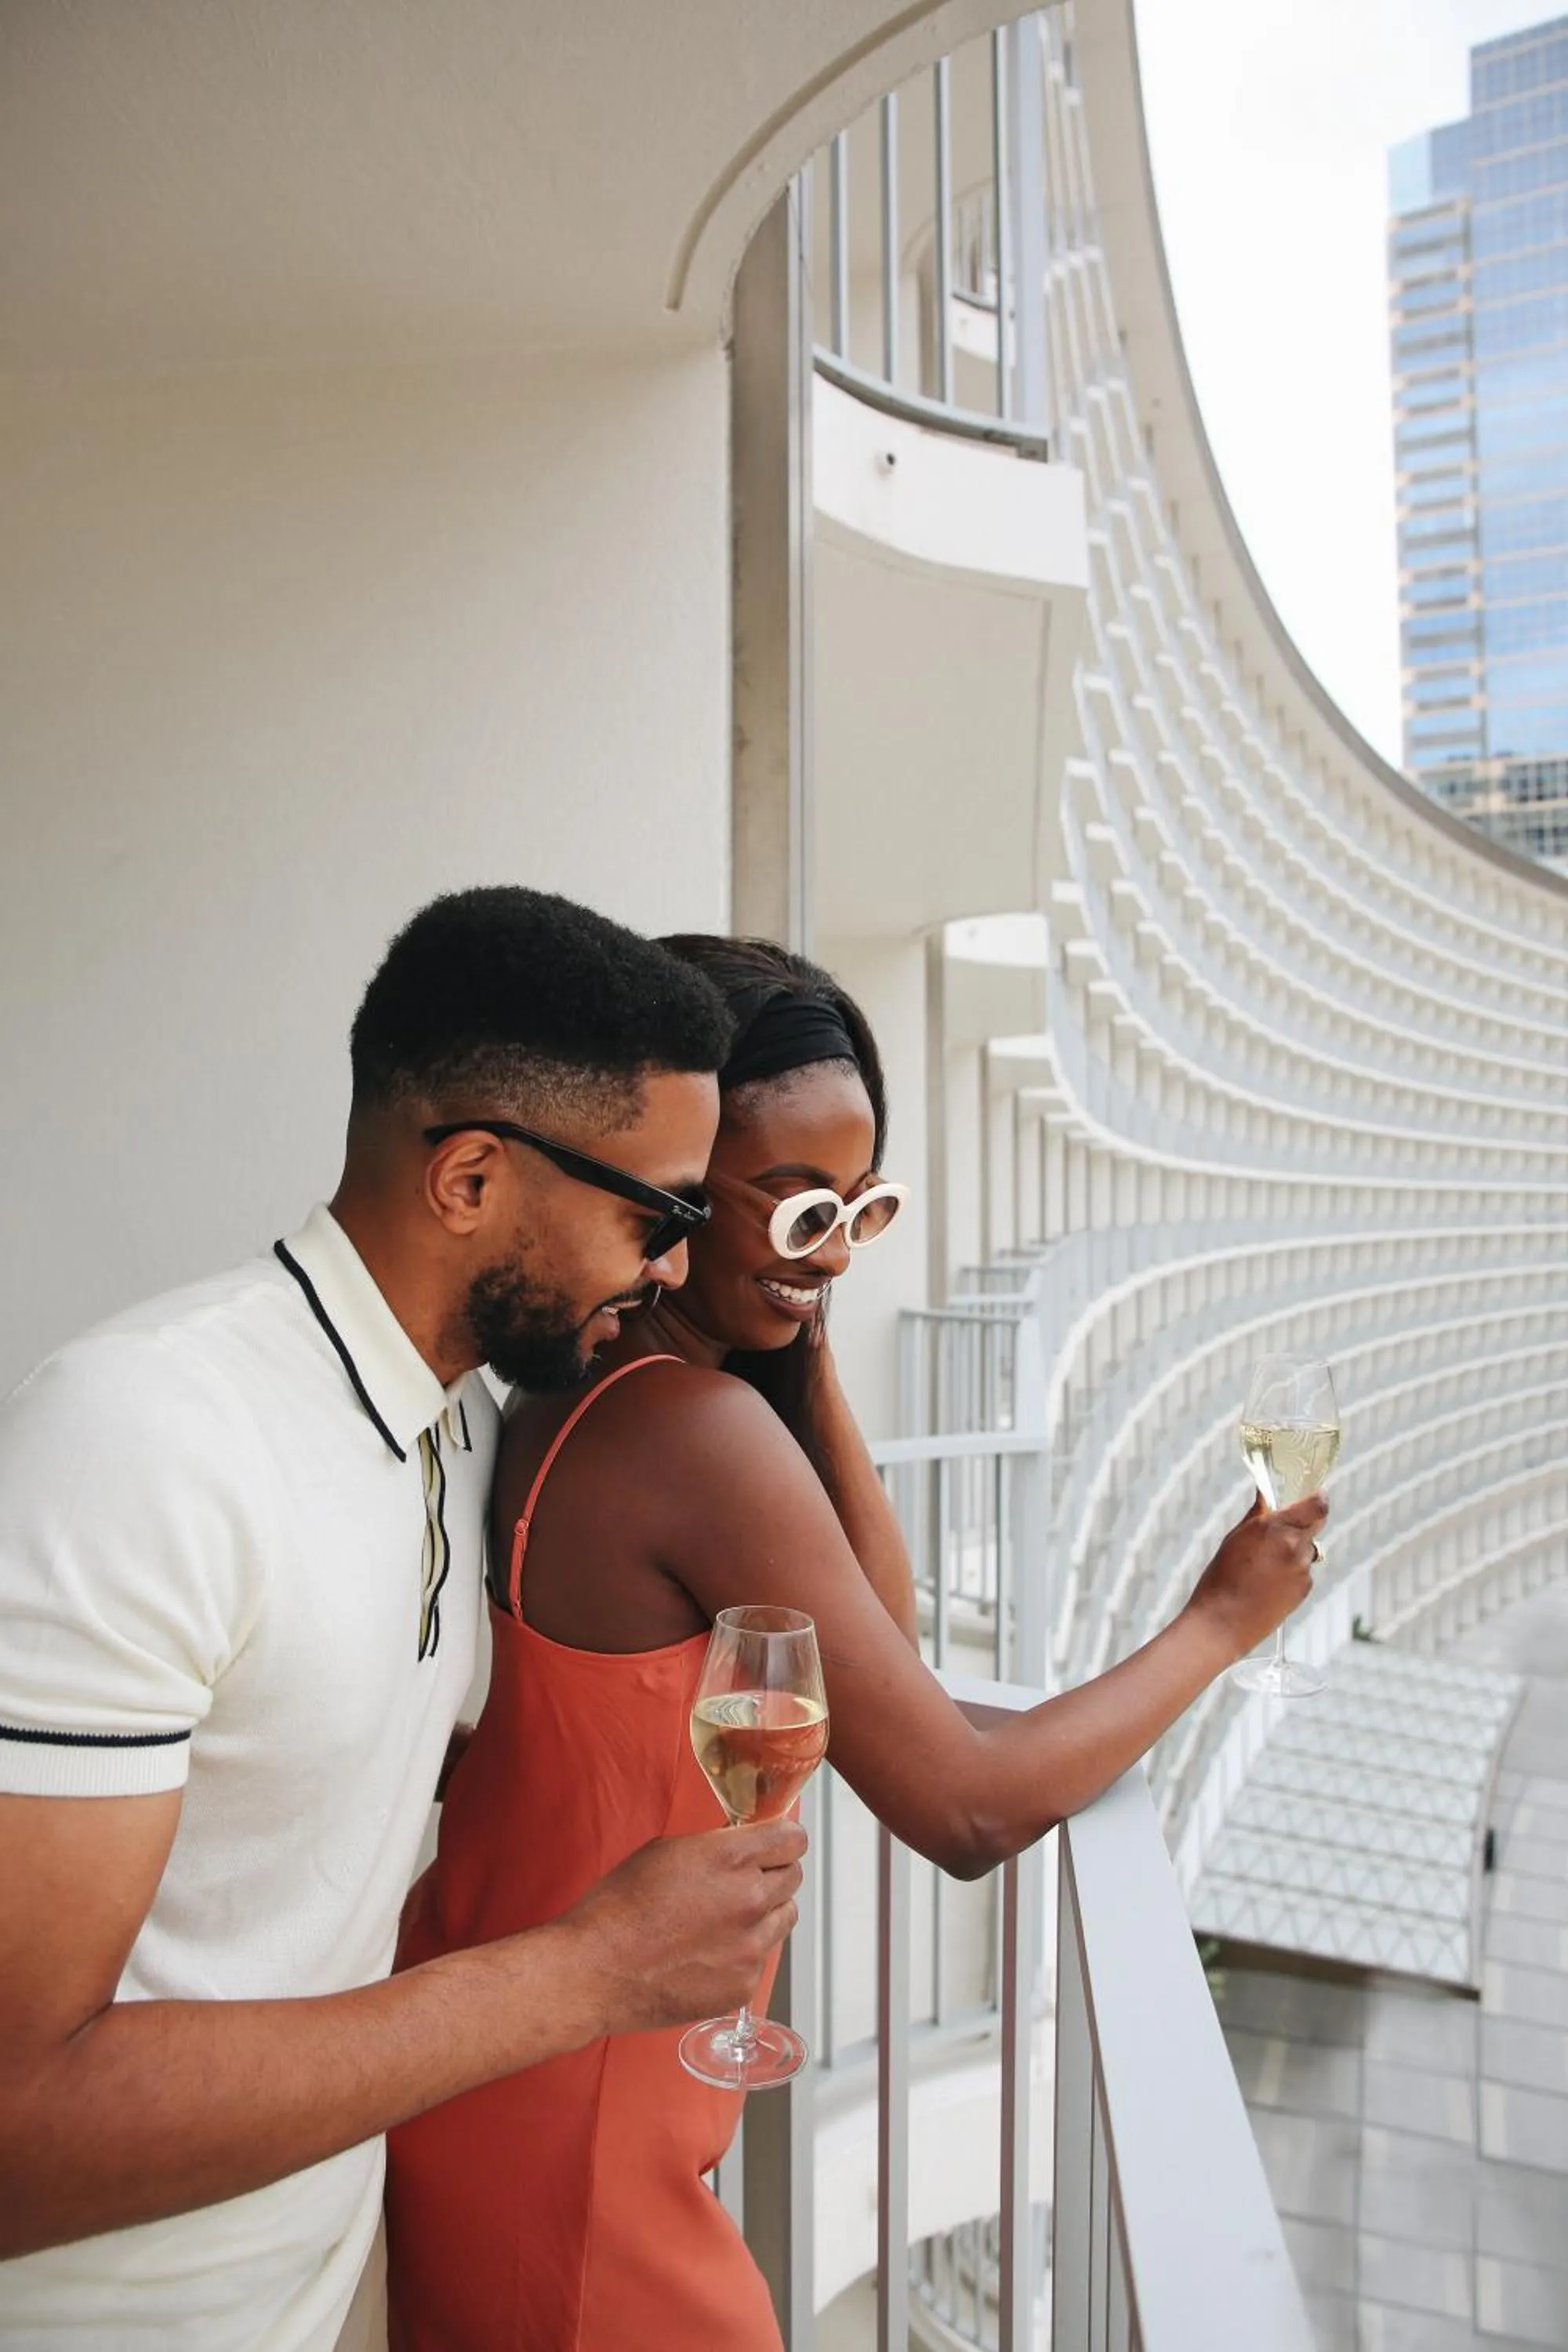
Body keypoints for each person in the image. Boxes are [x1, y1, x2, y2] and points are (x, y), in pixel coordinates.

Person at [384, 935, 1327, 2352]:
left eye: (859, 1211)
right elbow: (960, 1802)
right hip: (588, 2154)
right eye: (794, 1206)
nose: (829, 1250)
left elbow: (876, 1629)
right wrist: (1220, 1621)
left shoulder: (608, 1382)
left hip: (501, 2096)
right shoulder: (694, 1439)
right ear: (684, 1189)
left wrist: (797, 1320)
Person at [0, 891, 807, 2352]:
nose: (679, 1267)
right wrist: (588, 1971)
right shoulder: (148, 1435)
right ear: (471, 1179)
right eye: (659, 1213)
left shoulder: (457, 1430)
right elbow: (13, 2125)